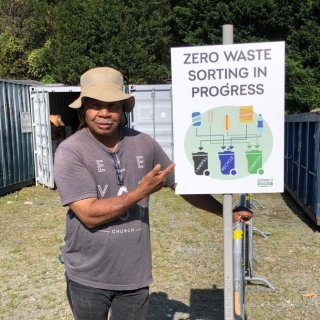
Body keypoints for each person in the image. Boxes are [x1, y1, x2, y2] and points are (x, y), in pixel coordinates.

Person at [53, 66, 252, 320]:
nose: (104, 113)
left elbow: (180, 185)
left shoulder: (144, 143)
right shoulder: (70, 151)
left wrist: (226, 212)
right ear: (83, 109)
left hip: (134, 272)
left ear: (124, 109)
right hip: (88, 273)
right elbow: (89, 215)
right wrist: (140, 192)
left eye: (112, 105)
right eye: (95, 105)